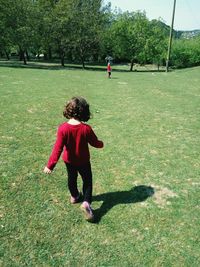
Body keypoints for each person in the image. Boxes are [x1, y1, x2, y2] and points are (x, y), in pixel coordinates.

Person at [43, 96, 104, 222]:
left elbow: (57, 148)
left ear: (69, 111)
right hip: (83, 161)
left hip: (69, 161)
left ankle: (75, 196)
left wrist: (50, 165)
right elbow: (95, 143)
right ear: (84, 112)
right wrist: (101, 144)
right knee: (87, 181)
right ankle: (86, 202)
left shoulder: (63, 128)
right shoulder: (86, 129)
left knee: (72, 178)